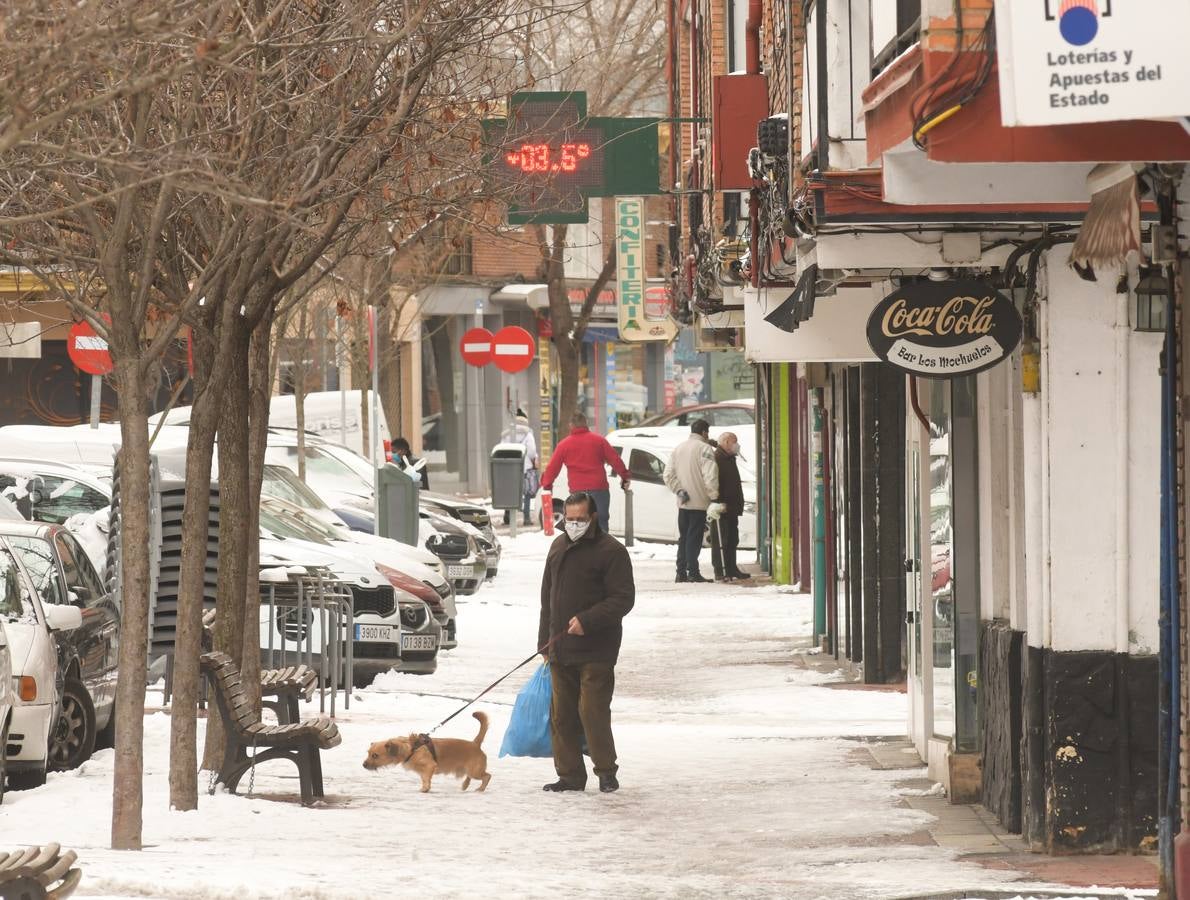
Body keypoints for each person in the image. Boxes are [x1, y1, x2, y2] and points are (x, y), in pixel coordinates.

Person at [538, 491, 635, 793]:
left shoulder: (611, 551)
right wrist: (544, 642)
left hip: (597, 649)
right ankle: (569, 776)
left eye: (580, 519)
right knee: (561, 716)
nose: (574, 524)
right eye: (569, 519)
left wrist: (587, 621)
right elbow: (547, 598)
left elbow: (623, 598)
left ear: (593, 517)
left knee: (593, 712)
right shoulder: (558, 546)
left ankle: (606, 771)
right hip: (560, 648)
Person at [540, 412, 630, 535]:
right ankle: (602, 546)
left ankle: (582, 546)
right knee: (601, 522)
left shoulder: (564, 445)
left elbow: (552, 468)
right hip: (599, 488)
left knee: (579, 524)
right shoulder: (599, 441)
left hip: (577, 491)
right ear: (586, 423)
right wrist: (625, 476)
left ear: (571, 425)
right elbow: (615, 460)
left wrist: (547, 485)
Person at [663, 419, 719, 583]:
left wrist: (679, 490)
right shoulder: (705, 448)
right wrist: (714, 496)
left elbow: (667, 475)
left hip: (684, 502)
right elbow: (710, 475)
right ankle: (693, 572)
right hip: (699, 502)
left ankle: (680, 572)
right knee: (694, 538)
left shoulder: (679, 448)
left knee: (684, 538)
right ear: (704, 432)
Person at [710, 431, 750, 582]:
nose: (737, 445)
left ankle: (731, 568)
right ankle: (721, 570)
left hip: (731, 506)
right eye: (735, 441)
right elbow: (714, 481)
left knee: (732, 539)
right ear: (726, 442)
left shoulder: (729, 458)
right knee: (722, 540)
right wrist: (718, 501)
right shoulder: (718, 458)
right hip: (723, 506)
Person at [499, 408, 539, 526]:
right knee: (526, 493)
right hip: (525, 467)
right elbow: (532, 451)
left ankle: (507, 517)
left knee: (510, 491)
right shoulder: (528, 434)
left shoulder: (506, 434)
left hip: (509, 467)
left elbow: (501, 448)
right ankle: (526, 518)